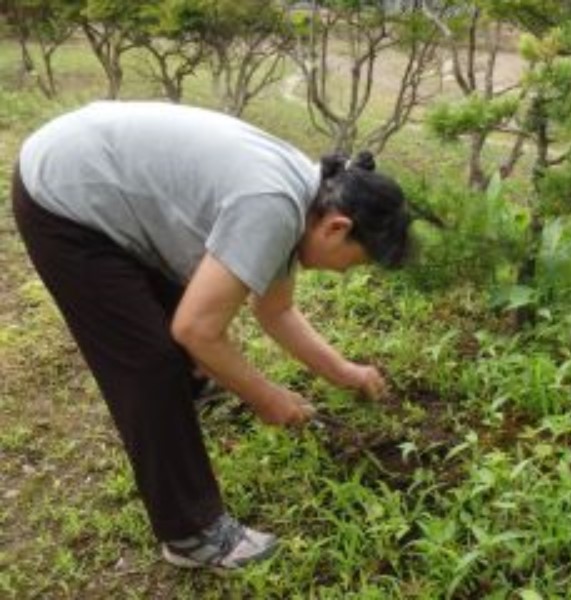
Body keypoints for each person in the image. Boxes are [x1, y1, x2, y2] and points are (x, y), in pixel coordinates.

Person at [11, 101, 412, 571]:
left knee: (188, 304)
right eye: (355, 262)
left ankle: (196, 390)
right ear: (338, 227)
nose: (345, 274)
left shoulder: (307, 193)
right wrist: (268, 399)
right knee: (151, 363)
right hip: (63, 197)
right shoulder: (273, 205)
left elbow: (276, 310)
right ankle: (191, 535)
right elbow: (197, 330)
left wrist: (344, 372)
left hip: (95, 168)